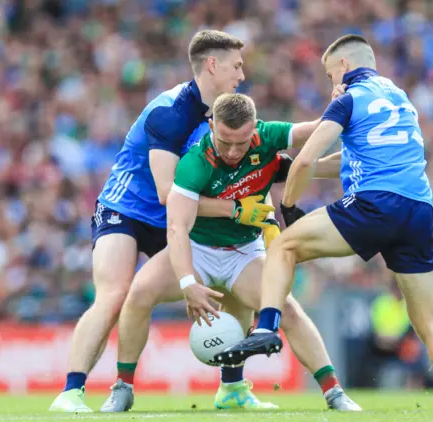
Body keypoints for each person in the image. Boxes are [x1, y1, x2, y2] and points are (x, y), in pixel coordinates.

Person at [213, 35, 433, 411]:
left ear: (344, 66)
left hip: (375, 205)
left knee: (283, 245)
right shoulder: (400, 98)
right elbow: (352, 158)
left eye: (330, 74)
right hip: (419, 211)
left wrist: (290, 206)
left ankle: (265, 327)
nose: (331, 83)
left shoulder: (348, 99)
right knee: (428, 320)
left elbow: (305, 161)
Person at [49, 30, 273, 413]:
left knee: (229, 279)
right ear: (212, 65)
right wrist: (234, 211)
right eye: (236, 65)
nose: (242, 73)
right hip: (128, 209)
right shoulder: (170, 113)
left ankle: (232, 389)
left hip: (176, 219)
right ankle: (71, 392)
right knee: (116, 293)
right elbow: (167, 194)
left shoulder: (226, 118)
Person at [98, 93, 361, 412]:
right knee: (138, 294)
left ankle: (334, 393)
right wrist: (186, 284)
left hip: (245, 252)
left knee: (286, 310)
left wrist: (343, 103)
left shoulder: (269, 135)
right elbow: (177, 227)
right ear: (211, 126)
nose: (235, 151)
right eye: (226, 142)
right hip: (197, 249)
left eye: (243, 142)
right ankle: (122, 388)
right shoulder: (195, 162)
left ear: (255, 129)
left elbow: (320, 127)